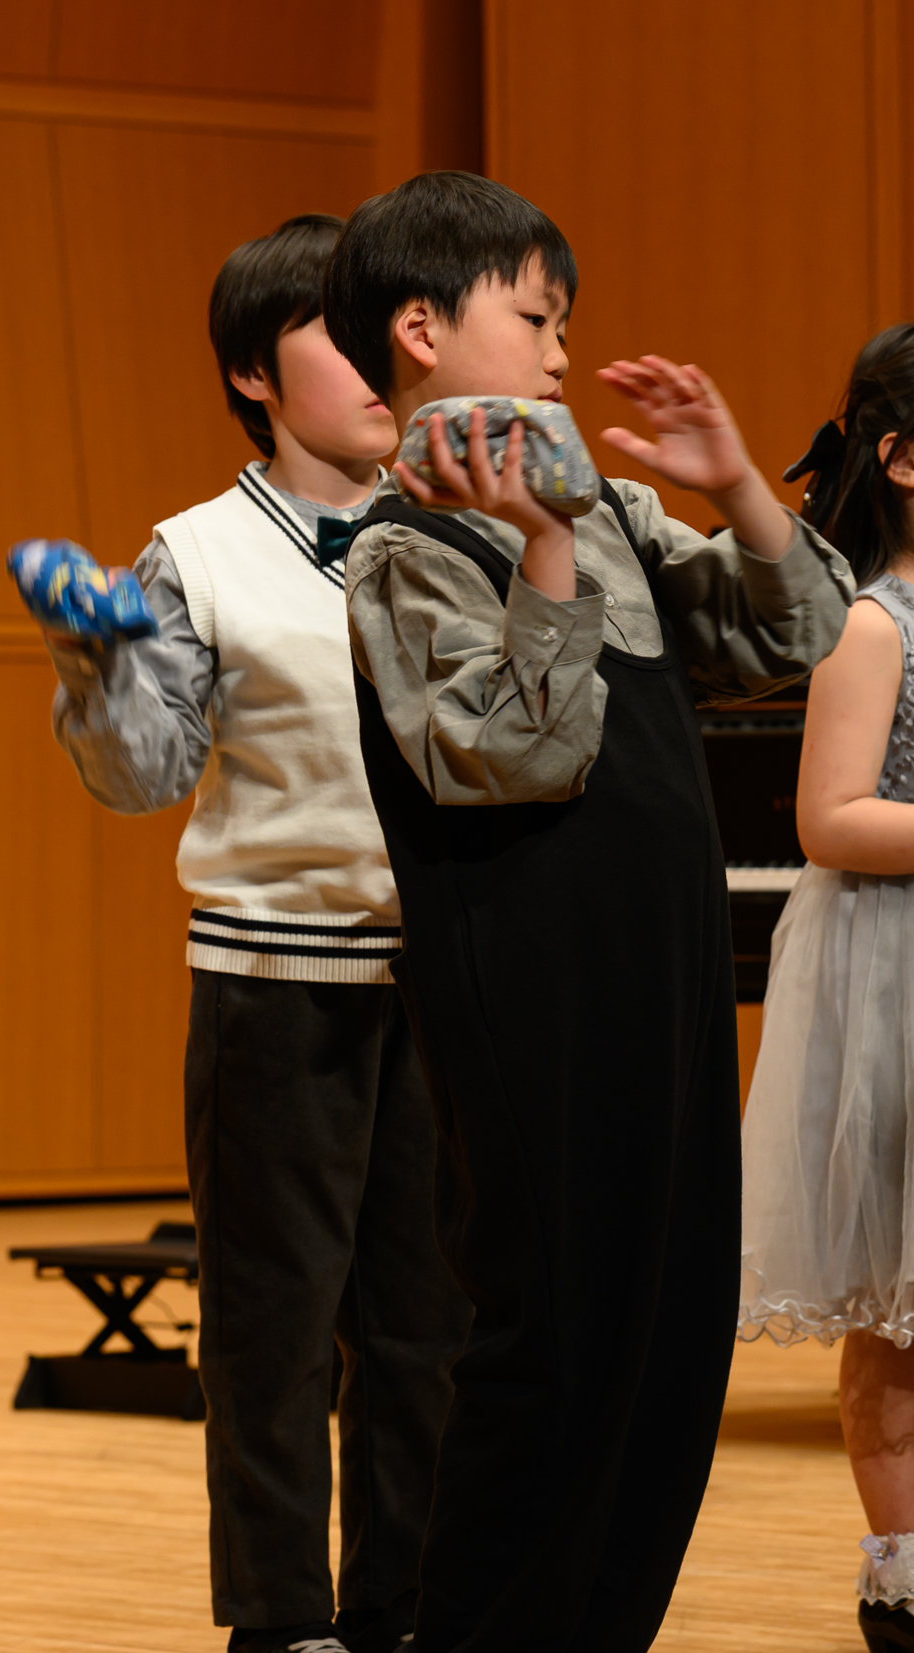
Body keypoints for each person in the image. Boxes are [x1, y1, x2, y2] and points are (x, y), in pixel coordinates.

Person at [326, 169, 855, 1652]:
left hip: (656, 971)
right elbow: (513, 756)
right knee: (554, 1338)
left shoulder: (611, 507)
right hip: (531, 992)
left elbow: (795, 635)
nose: (564, 352)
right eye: (537, 318)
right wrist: (544, 547)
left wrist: (735, 484)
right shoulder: (401, 548)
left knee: (669, 1332)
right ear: (421, 330)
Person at [36, 213, 464, 1653]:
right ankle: (280, 1623)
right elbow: (143, 774)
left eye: (390, 329)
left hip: (441, 985)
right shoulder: (198, 553)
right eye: (337, 336)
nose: (379, 363)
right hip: (277, 982)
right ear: (252, 374)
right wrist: (99, 659)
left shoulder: (456, 525)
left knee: (426, 1327)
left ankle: (404, 1609)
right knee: (274, 1331)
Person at [739, 322, 914, 1652]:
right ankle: (902, 1577)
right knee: (902, 1316)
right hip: (897, 973)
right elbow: (831, 816)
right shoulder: (873, 621)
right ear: (903, 459)